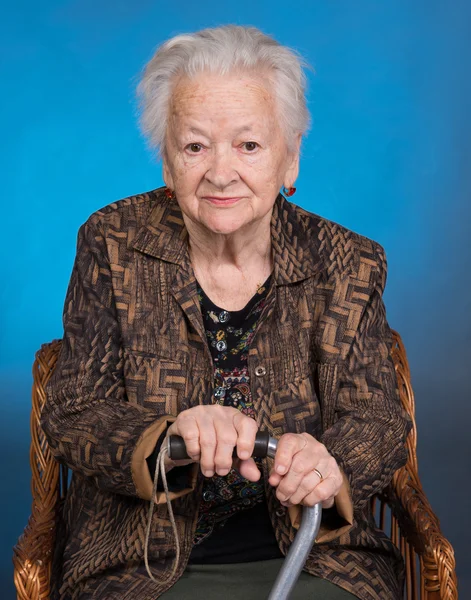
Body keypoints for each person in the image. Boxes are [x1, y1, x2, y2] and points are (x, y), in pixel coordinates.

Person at [41, 24, 412, 600]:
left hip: (316, 558)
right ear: (167, 162)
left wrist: (329, 460)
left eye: (249, 145)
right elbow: (72, 409)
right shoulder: (112, 243)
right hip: (142, 560)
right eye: (195, 146)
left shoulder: (348, 262)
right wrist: (167, 436)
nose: (219, 172)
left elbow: (380, 419)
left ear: (289, 160)